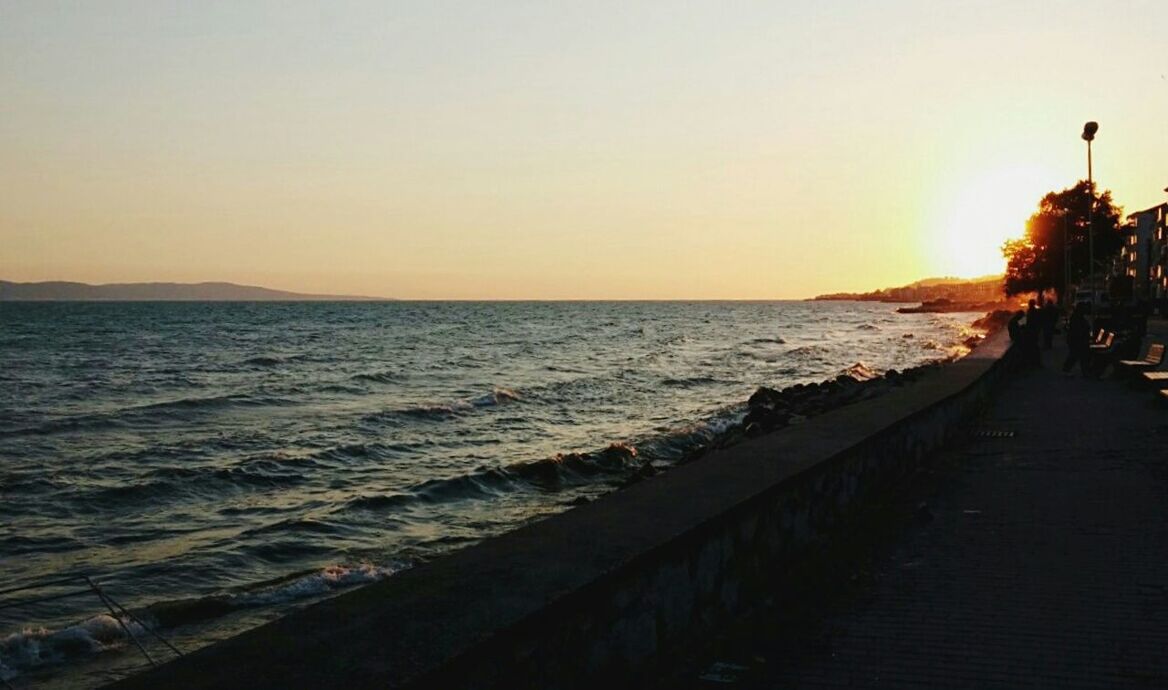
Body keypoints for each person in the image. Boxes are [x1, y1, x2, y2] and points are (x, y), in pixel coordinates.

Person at [1062, 302, 1091, 376]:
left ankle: (1068, 368)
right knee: (1077, 355)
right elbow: (1078, 329)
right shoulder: (1077, 317)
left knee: (1077, 355)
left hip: (1076, 339)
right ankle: (1067, 369)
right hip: (1077, 339)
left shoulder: (1077, 316)